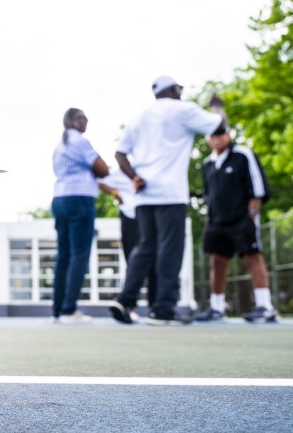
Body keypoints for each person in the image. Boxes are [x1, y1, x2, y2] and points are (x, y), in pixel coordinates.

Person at [109, 76, 225, 325]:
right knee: (170, 249)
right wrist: (217, 107)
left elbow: (119, 154)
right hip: (170, 193)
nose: (181, 93)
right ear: (173, 90)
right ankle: (162, 309)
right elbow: (219, 127)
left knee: (144, 247)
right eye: (180, 89)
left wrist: (134, 177)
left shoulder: (139, 117)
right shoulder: (182, 110)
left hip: (144, 196)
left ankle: (125, 299)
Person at [194, 128, 277, 323]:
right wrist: (210, 218)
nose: (216, 139)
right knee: (217, 261)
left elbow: (257, 188)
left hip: (243, 217)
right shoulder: (207, 163)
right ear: (208, 138)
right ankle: (216, 307)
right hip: (216, 220)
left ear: (228, 135)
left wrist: (252, 216)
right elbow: (208, 195)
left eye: (220, 135)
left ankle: (265, 306)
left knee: (252, 257)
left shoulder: (243, 155)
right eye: (212, 136)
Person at [51, 108, 109, 324]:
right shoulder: (80, 141)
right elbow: (103, 169)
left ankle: (58, 310)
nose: (87, 122)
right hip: (80, 199)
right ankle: (69, 310)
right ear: (76, 121)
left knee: (64, 256)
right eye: (85, 118)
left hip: (59, 199)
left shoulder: (60, 145)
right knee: (79, 254)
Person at [98, 168, 157, 321]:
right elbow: (100, 180)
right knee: (133, 259)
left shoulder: (152, 166)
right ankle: (128, 305)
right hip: (130, 217)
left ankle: (155, 306)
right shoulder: (122, 171)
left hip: (151, 215)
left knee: (153, 261)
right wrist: (117, 195)